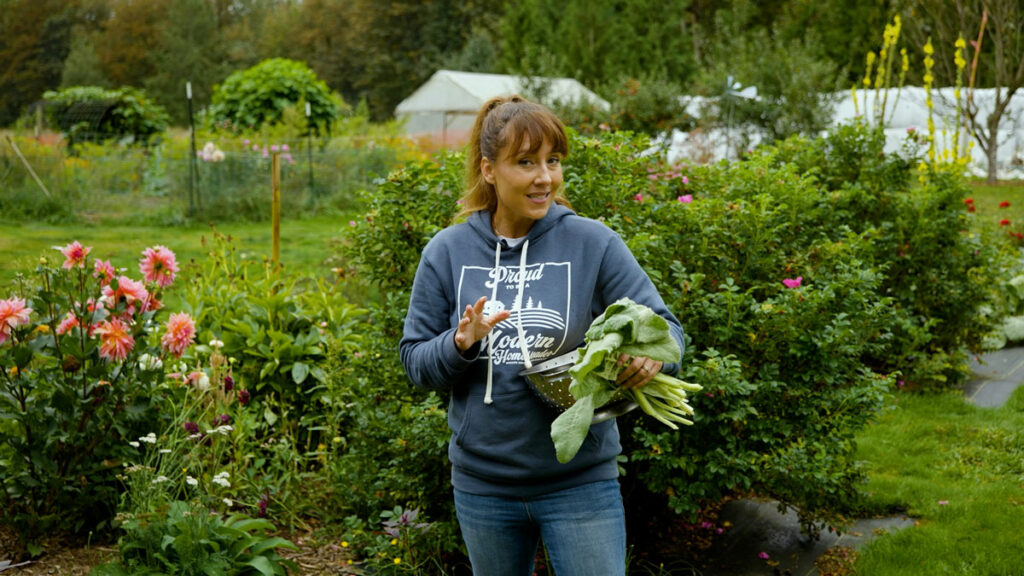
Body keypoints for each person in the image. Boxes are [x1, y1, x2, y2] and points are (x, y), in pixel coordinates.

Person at [399, 95, 685, 576]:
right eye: (526, 162)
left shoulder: (593, 243)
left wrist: (652, 360)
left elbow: (667, 331)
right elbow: (414, 361)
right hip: (483, 487)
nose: (545, 177)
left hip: (580, 484)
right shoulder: (447, 252)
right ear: (489, 170)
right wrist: (459, 342)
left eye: (553, 161)